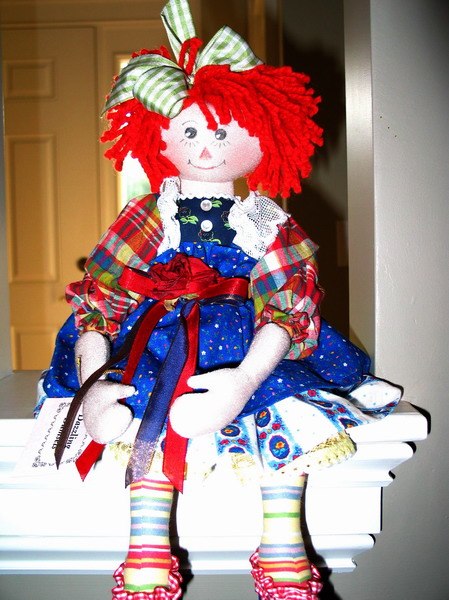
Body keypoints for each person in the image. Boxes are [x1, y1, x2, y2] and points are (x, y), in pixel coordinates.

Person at [41, 1, 401, 598]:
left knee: (280, 402)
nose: (206, 146)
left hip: (246, 340)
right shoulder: (147, 216)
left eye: (223, 131)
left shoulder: (263, 219)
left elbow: (287, 302)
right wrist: (94, 382)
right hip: (156, 333)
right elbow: (102, 298)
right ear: (160, 135)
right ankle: (147, 548)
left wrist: (243, 379)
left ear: (263, 137)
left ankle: (283, 544)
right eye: (189, 130)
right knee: (141, 404)